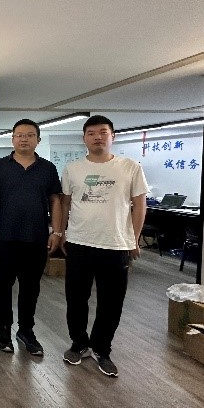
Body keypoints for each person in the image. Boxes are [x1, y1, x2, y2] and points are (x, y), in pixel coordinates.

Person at [61, 115, 148, 378]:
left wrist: (134, 239)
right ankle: (79, 343)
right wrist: (62, 232)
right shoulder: (73, 169)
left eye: (103, 132)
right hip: (79, 242)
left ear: (113, 136)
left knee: (111, 302)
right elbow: (65, 203)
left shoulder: (130, 167)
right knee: (76, 299)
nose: (97, 137)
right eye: (91, 133)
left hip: (115, 245)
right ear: (84, 138)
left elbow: (139, 205)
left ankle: (102, 348)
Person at [0, 119, 62, 356]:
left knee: (30, 288)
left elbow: (55, 200)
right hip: (5, 238)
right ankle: (3, 331)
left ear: (38, 140)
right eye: (19, 135)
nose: (24, 139)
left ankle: (26, 331)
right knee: (3, 286)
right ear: (12, 139)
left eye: (29, 135)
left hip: (36, 239)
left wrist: (57, 232)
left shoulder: (48, 169)